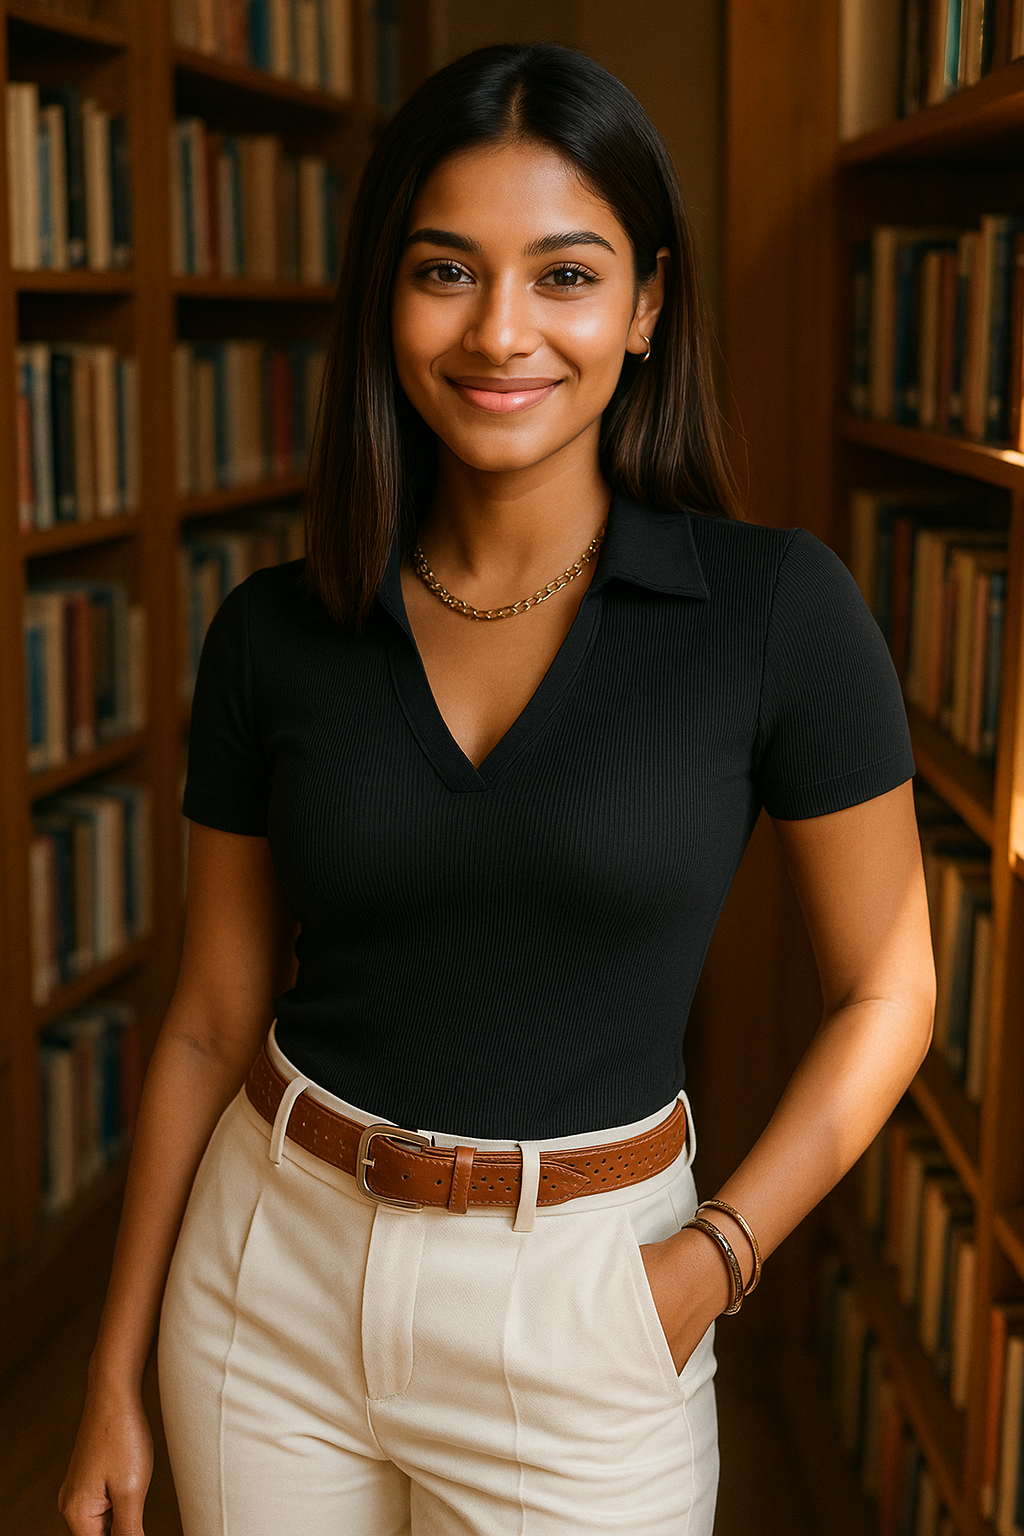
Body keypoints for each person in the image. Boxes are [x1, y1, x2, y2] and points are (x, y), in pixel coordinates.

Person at [59, 41, 935, 1536]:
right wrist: (113, 1370)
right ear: (384, 300)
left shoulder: (777, 610)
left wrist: (710, 1262)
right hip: (269, 1275)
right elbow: (209, 1016)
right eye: (448, 270)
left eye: (569, 276)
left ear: (649, 305)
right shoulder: (274, 629)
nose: (503, 332)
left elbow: (887, 991)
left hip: (589, 1299)